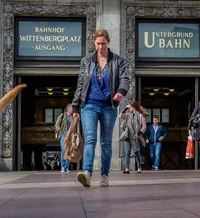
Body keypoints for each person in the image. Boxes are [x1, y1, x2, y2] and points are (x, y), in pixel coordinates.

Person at [71, 28, 129, 188]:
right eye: (97, 44)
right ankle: (87, 173)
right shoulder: (87, 61)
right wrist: (75, 106)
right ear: (94, 43)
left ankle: (104, 175)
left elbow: (125, 78)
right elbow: (81, 84)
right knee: (90, 139)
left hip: (108, 106)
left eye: (103, 43)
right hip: (89, 105)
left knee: (105, 142)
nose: (100, 47)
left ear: (108, 42)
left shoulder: (118, 61)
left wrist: (120, 92)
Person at [120, 101, 147, 174]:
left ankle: (139, 167)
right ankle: (127, 168)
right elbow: (121, 116)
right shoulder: (128, 114)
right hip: (127, 136)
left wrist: (139, 133)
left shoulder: (140, 116)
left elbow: (144, 126)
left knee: (137, 152)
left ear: (134, 107)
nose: (129, 108)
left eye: (130, 107)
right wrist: (125, 108)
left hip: (135, 136)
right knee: (127, 152)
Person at [55, 104, 74, 173]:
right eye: (72, 108)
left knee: (69, 151)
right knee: (63, 149)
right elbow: (57, 124)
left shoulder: (73, 116)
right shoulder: (63, 115)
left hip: (71, 136)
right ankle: (63, 166)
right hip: (63, 135)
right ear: (68, 109)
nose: (72, 109)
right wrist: (60, 131)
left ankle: (67, 167)